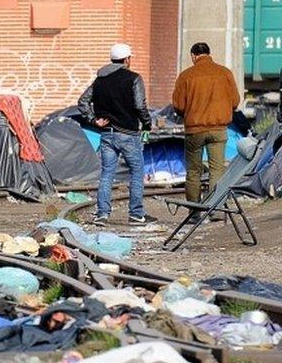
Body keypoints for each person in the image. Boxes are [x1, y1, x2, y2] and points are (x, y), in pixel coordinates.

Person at [77, 43, 158, 226]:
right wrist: (146, 123)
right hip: (128, 133)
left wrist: (93, 120)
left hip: (106, 134)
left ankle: (102, 214)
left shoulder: (99, 80)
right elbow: (139, 105)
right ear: (127, 59)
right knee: (136, 172)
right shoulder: (134, 78)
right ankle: (136, 214)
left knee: (107, 174)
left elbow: (83, 102)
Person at [172, 42, 242, 206]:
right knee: (216, 170)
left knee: (193, 171)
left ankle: (194, 211)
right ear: (209, 54)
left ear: (193, 56)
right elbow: (235, 101)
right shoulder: (225, 73)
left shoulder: (186, 76)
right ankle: (215, 209)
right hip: (218, 129)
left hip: (194, 130)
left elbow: (178, 105)